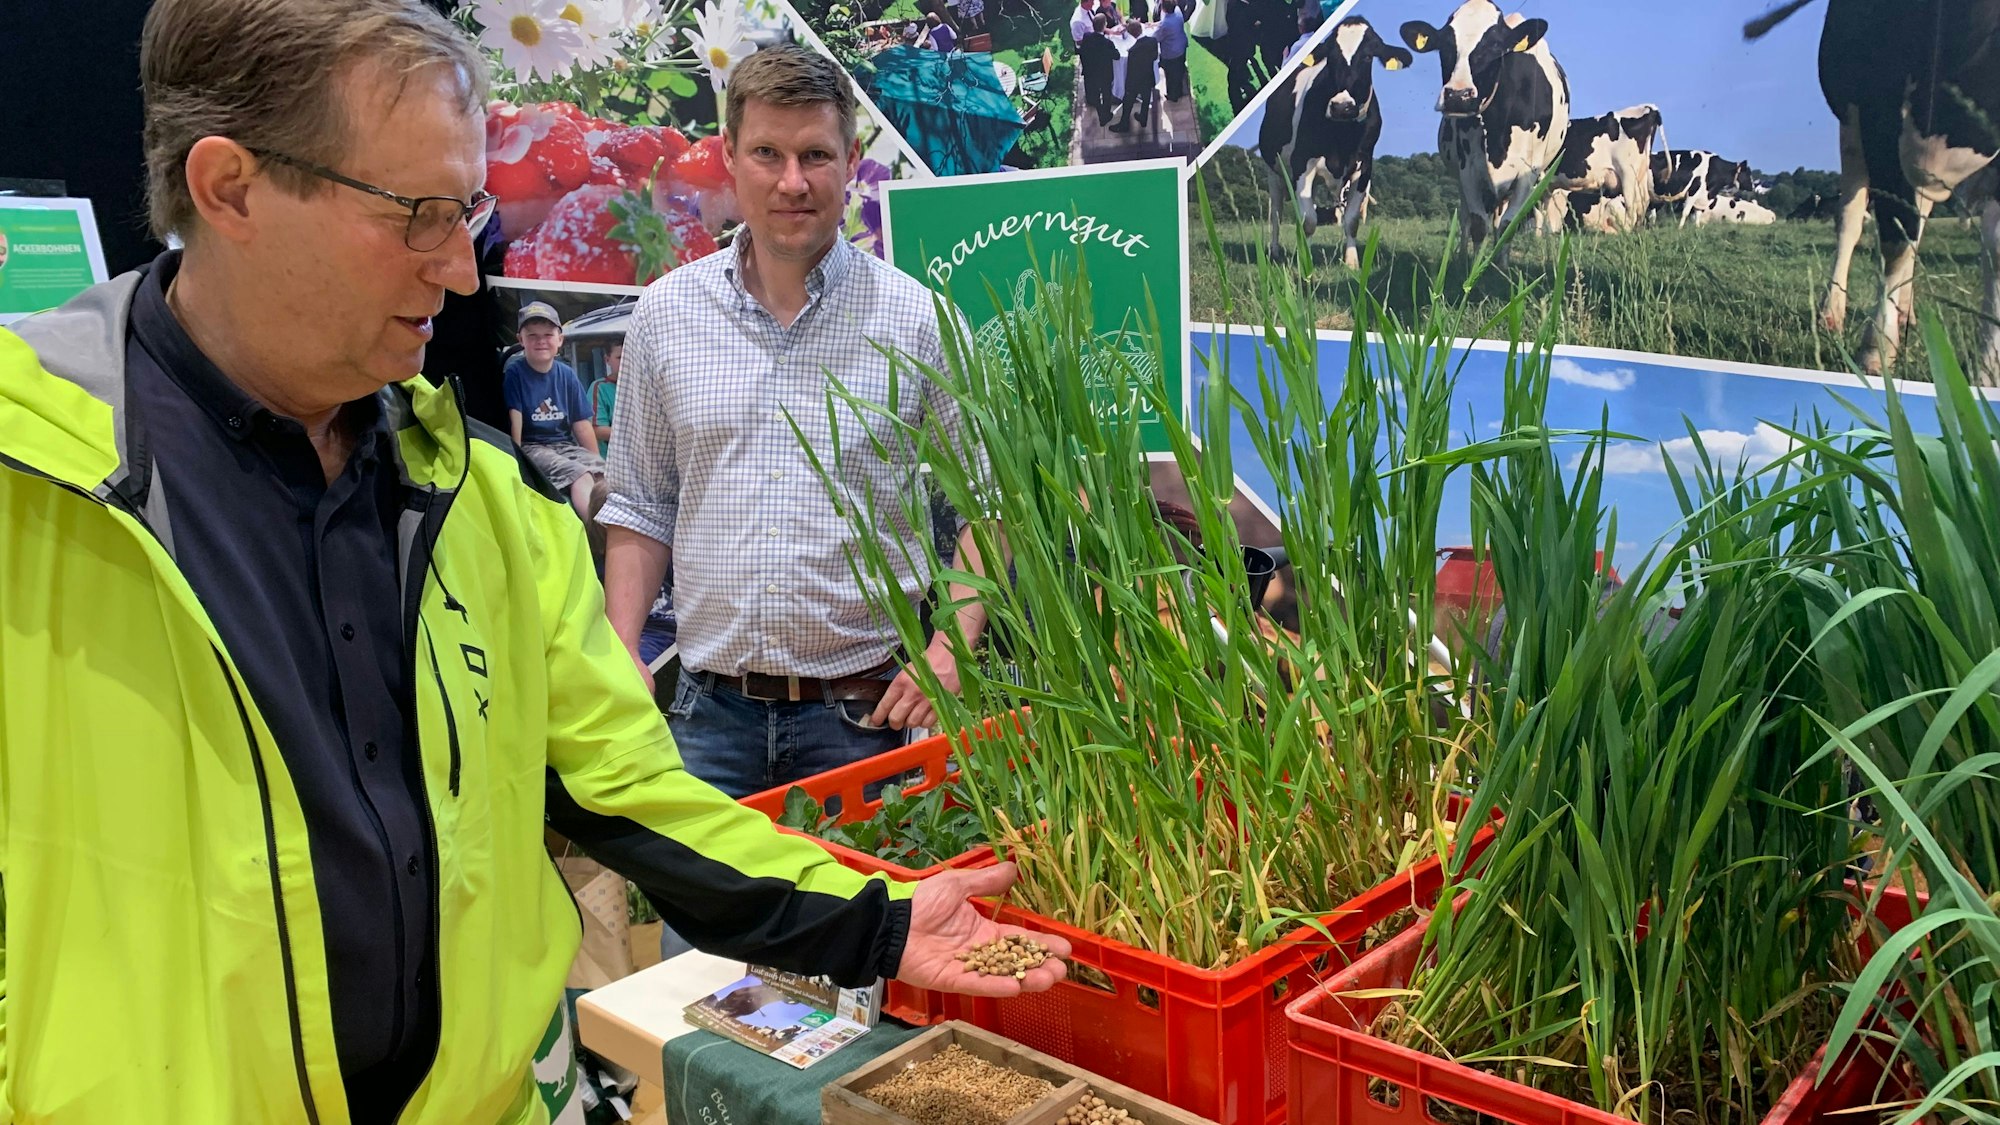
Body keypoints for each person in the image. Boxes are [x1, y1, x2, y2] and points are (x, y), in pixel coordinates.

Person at [0, 4, 1066, 1122]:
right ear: (230, 189)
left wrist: (885, 924)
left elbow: (630, 793)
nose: (465, 272)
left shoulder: (485, 500)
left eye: (463, 210)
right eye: (415, 215)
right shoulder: (38, 485)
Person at [601, 46, 997, 800]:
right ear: (729, 157)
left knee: (867, 921)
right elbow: (640, 503)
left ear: (851, 158)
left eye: (815, 154)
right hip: (704, 720)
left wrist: (954, 645)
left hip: (860, 724)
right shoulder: (666, 316)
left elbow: (990, 504)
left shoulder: (920, 322)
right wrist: (621, 644)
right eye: (767, 154)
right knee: (704, 921)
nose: (793, 181)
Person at [504, 300, 604, 523]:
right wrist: (517, 465)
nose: (541, 341)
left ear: (560, 339)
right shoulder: (515, 373)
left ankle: (614, 528)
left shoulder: (566, 375)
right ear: (521, 340)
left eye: (548, 335)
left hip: (564, 445)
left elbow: (582, 425)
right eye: (532, 336)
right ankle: (596, 533)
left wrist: (595, 459)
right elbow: (515, 422)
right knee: (577, 474)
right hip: (533, 447)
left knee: (602, 472)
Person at [1110, 18, 1160, 133]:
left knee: (1128, 102)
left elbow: (1131, 70)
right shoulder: (1152, 41)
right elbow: (1154, 57)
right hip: (1148, 77)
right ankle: (1143, 118)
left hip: (1135, 81)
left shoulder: (1133, 51)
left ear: (1131, 34)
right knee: (1146, 97)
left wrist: (1127, 85)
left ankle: (1124, 124)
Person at [1078, 13, 1119, 126]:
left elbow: (1083, 51)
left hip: (1091, 72)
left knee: (1095, 94)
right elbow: (1117, 56)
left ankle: (1101, 113)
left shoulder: (1086, 37)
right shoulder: (1107, 43)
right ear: (1104, 25)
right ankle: (1106, 114)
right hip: (1104, 74)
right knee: (1106, 94)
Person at [590, 339, 622, 461]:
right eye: (619, 357)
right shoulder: (599, 387)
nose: (625, 361)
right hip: (611, 461)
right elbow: (596, 429)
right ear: (607, 360)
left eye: (629, 356)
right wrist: (633, 436)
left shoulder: (644, 386)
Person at [1156, 0, 1190, 101]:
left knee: (1171, 76)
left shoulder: (1165, 24)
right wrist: (1154, 24)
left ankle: (1173, 96)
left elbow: (1156, 37)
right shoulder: (1178, 11)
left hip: (1171, 53)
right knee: (1179, 71)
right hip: (1181, 46)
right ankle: (1181, 90)